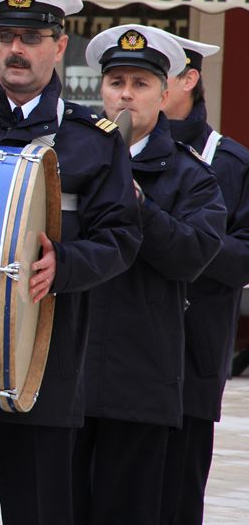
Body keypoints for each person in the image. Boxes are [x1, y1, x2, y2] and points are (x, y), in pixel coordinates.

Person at [0, 0, 143, 525]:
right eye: (5, 36)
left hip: (46, 369)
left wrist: (64, 264)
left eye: (33, 37)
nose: (17, 49)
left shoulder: (93, 139)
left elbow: (121, 238)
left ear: (59, 46)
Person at [72, 25, 226, 525]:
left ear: (165, 93)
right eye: (116, 81)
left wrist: (135, 203)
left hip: (139, 383)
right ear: (100, 90)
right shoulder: (67, 160)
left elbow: (193, 256)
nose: (126, 94)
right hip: (65, 379)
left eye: (140, 84)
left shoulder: (192, 176)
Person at [158, 34, 249, 524]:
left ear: (189, 80)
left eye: (157, 74)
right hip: (121, 361)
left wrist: (179, 242)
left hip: (192, 357)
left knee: (178, 498)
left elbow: (244, 257)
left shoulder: (231, 164)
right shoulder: (114, 148)